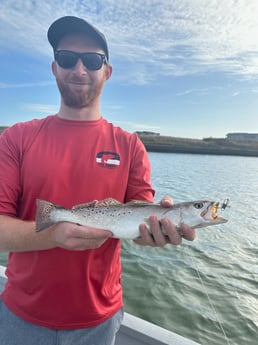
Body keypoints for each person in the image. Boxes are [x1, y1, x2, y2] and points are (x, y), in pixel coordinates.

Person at [0, 16, 195, 345]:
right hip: (20, 316)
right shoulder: (17, 138)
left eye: (92, 60)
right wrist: (53, 235)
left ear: (107, 71)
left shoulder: (130, 145)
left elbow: (140, 224)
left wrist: (156, 232)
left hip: (99, 322)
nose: (79, 70)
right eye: (66, 58)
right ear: (53, 67)